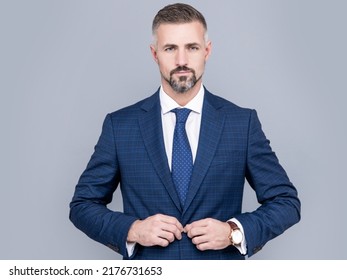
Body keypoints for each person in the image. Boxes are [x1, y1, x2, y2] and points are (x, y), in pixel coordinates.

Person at [69, 3, 301, 260]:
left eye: (192, 47)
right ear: (155, 53)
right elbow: (82, 206)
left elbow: (286, 202)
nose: (182, 61)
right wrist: (133, 229)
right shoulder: (120, 126)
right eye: (170, 48)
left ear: (207, 51)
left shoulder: (241, 123)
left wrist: (233, 231)